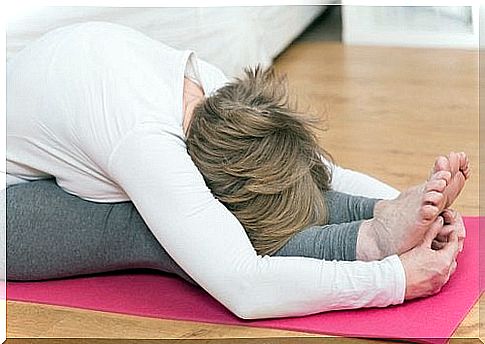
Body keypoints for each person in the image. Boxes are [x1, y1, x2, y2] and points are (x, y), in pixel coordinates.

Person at [6, 22, 467, 319]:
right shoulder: (146, 143)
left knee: (246, 191)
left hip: (66, 144)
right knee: (158, 228)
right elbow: (242, 286)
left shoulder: (213, 88)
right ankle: (365, 243)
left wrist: (395, 204)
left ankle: (376, 228)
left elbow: (317, 169)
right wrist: (393, 279)